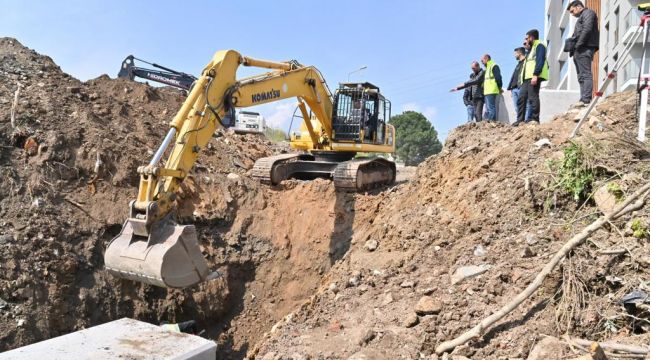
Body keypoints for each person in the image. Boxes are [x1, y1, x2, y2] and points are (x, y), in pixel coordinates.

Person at [567, 0, 599, 107]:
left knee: (585, 74)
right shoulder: (581, 17)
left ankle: (586, 99)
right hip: (579, 50)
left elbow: (587, 29)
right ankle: (583, 98)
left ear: (578, 7)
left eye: (572, 11)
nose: (572, 14)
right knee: (581, 76)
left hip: (584, 48)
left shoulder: (588, 13)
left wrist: (578, 45)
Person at [516, 29, 549, 125]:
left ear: (531, 37)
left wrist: (535, 75)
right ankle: (520, 120)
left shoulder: (540, 45)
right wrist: (527, 48)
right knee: (521, 99)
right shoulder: (531, 49)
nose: (525, 40)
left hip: (534, 76)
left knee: (533, 98)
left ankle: (535, 119)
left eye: (527, 38)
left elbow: (540, 60)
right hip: (526, 78)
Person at [508, 47, 533, 123]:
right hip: (514, 88)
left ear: (519, 53)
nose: (514, 55)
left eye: (515, 54)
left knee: (525, 105)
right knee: (517, 107)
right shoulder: (518, 64)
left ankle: (526, 121)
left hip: (522, 87)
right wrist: (511, 88)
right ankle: (519, 122)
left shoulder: (526, 62)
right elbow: (514, 76)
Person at [481, 54, 503, 121]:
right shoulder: (488, 67)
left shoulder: (493, 65)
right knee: (488, 108)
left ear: (487, 59)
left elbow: (498, 77)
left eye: (482, 60)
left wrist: (499, 87)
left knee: (491, 107)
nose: (482, 62)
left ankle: (492, 121)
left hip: (491, 90)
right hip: (487, 91)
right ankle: (489, 121)